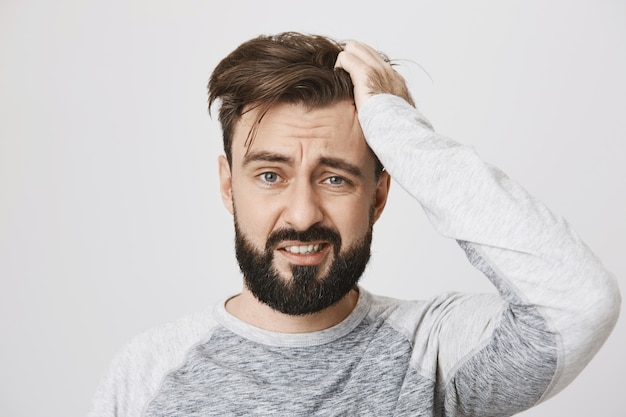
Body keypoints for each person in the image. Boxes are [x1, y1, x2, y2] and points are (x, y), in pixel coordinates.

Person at [89, 32, 620, 416]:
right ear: (228, 185)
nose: (302, 215)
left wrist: (400, 131)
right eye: (271, 175)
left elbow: (578, 301)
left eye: (337, 179)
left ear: (380, 194)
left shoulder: (433, 353)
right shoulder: (147, 374)